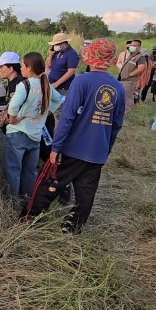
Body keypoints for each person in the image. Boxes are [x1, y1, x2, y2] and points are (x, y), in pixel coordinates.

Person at [45, 38, 125, 233]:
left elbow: (67, 118)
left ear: (90, 57)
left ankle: (30, 216)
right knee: (86, 193)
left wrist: (56, 147)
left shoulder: (81, 80)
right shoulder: (118, 87)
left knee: (51, 182)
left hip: (74, 149)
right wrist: (106, 149)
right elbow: (116, 125)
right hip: (97, 151)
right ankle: (72, 228)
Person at [3, 52, 63, 200]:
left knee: (13, 170)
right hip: (35, 135)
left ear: (29, 67)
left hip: (17, 134)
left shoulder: (25, 85)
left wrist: (12, 119)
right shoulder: (45, 84)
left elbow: (13, 106)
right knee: (30, 171)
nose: (21, 68)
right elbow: (59, 100)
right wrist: (45, 113)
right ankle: (28, 200)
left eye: (23, 65)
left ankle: (12, 202)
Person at [118, 42, 146, 114]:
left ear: (139, 47)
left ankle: (128, 113)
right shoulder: (131, 55)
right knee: (125, 97)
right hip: (124, 80)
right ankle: (126, 111)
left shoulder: (140, 57)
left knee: (129, 97)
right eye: (131, 45)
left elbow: (141, 68)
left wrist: (130, 74)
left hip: (130, 81)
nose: (131, 47)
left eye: (133, 46)